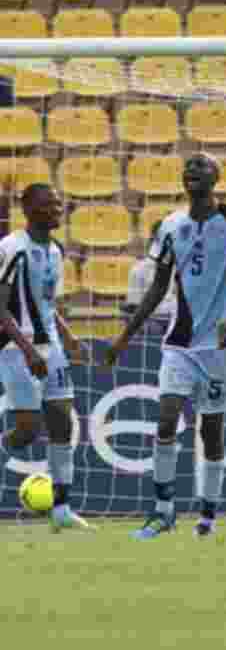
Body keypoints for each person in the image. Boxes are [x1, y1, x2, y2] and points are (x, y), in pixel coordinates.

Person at [104, 153, 226, 539]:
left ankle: (207, 514)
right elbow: (158, 286)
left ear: (217, 177)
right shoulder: (171, 226)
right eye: (189, 167)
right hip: (179, 342)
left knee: (212, 431)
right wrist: (125, 336)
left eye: (202, 167)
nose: (193, 172)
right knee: (167, 418)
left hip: (221, 346)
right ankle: (163, 510)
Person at [0, 183, 91, 531]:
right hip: (13, 348)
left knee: (62, 425)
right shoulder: (11, 249)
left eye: (58, 203)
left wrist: (68, 339)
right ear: (28, 209)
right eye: (49, 204)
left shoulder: (55, 250)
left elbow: (48, 305)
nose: (57, 209)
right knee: (26, 431)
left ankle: (62, 510)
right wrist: (27, 351)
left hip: (50, 348)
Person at [124, 221, 177, 336]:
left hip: (174, 318)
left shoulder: (179, 268)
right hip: (151, 320)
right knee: (153, 330)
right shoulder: (139, 270)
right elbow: (132, 306)